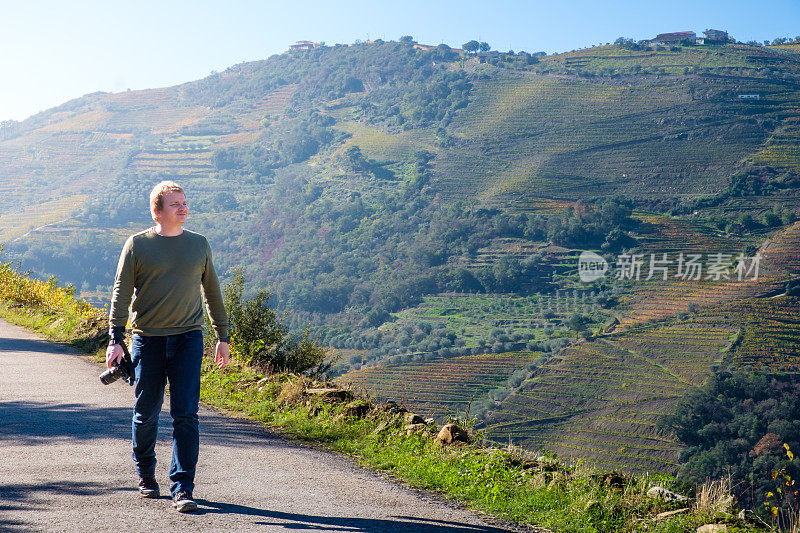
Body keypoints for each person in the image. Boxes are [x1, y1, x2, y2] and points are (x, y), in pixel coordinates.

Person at [106, 180, 230, 513]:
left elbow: (213, 294)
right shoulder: (137, 246)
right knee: (145, 415)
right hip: (147, 339)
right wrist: (115, 340)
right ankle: (146, 474)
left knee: (186, 414)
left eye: (185, 202)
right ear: (158, 211)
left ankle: (183, 487)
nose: (183, 207)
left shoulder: (199, 245)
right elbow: (120, 294)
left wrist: (223, 337)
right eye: (175, 204)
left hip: (190, 338)